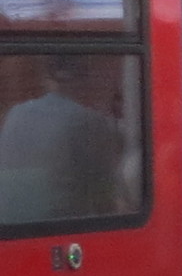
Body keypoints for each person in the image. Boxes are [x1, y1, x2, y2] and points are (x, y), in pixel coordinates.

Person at [0, 58, 122, 225]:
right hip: (59, 223)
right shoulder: (88, 121)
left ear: (46, 79)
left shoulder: (16, 112)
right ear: (82, 81)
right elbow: (105, 192)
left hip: (9, 222)